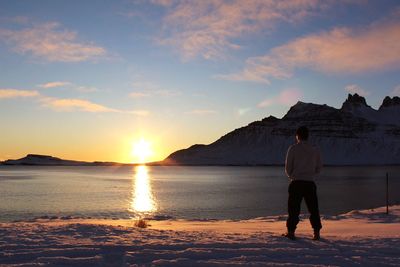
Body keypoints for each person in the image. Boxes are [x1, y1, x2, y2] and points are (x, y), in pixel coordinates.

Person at [283, 126, 322, 240]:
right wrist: (311, 175)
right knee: (313, 209)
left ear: (298, 136)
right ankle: (316, 233)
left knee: (293, 209)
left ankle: (291, 232)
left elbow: (288, 167)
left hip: (296, 183)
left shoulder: (293, 148)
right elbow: (319, 167)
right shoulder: (315, 149)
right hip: (310, 183)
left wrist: (292, 176)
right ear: (307, 136)